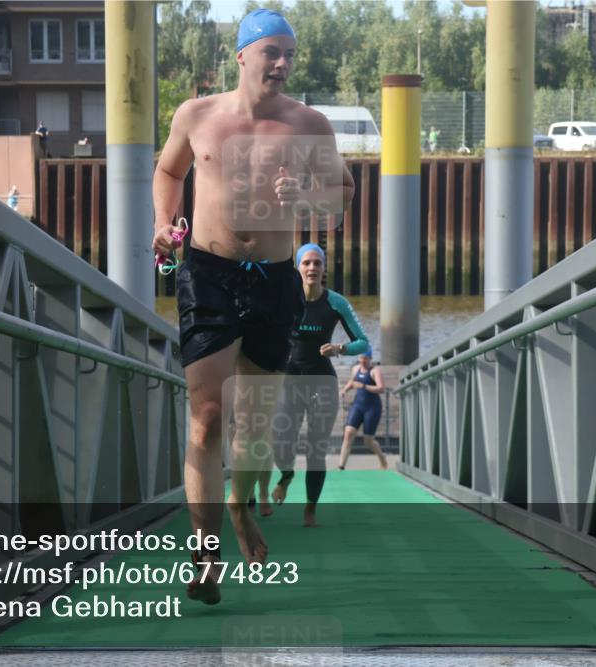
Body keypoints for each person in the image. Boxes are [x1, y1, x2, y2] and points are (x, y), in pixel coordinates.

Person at [152, 8, 354, 605]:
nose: (283, 64)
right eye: (271, 52)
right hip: (209, 273)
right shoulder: (198, 115)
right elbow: (168, 170)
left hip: (273, 278)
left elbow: (342, 194)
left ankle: (240, 506)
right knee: (209, 415)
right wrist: (165, 225)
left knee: (257, 422)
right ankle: (207, 552)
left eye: (290, 54)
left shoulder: (309, 124)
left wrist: (308, 193)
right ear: (241, 55)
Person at [255, 243, 368, 527]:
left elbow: (363, 342)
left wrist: (340, 349)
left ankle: (310, 509)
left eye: (317, 263)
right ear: (298, 267)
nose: (312, 268)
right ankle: (286, 476)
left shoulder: (335, 302)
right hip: (288, 380)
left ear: (324, 268)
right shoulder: (283, 299)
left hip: (322, 383)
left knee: (316, 449)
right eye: (306, 263)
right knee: (281, 442)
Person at [339, 346, 388, 470]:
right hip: (358, 405)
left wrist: (364, 386)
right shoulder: (356, 369)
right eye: (361, 358)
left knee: (368, 441)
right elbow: (352, 381)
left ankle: (382, 458)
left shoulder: (374, 371)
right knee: (348, 433)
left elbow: (381, 388)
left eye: (365, 358)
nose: (363, 361)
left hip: (372, 407)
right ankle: (341, 466)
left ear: (370, 358)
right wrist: (345, 389)